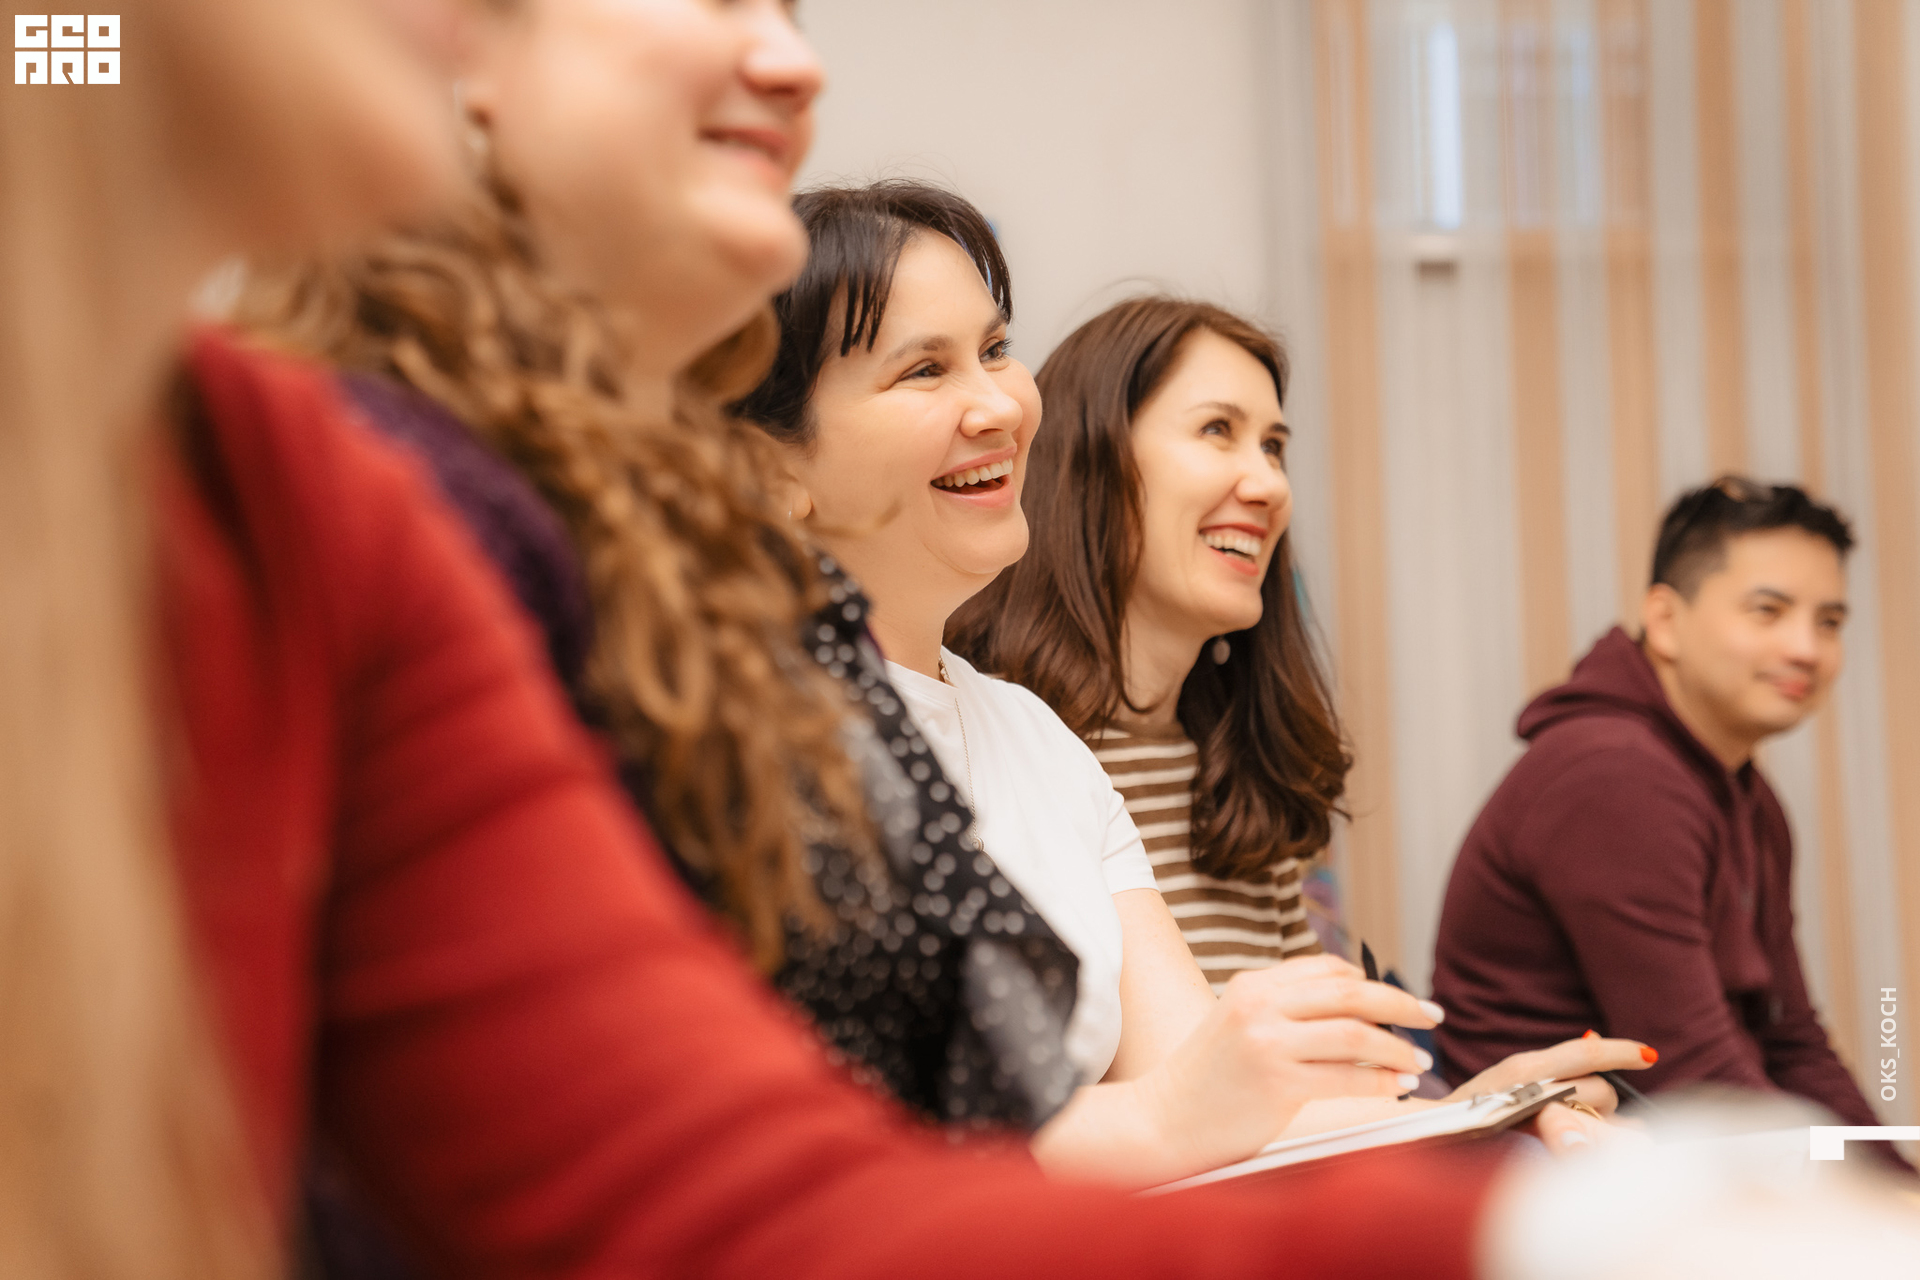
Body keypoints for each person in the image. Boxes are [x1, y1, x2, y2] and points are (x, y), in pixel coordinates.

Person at [243, 0, 1087, 1141]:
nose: (795, 64)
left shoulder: (720, 570)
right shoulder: (371, 491)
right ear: (465, 40)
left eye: (788, 12)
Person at [943, 291, 1652, 1122]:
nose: (1268, 484)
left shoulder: (1245, 776)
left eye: (1275, 447)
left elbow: (1306, 1117)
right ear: (1091, 461)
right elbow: (1059, 1119)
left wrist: (1483, 1111)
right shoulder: (984, 751)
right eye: (1218, 430)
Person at [1431, 478, 1895, 1144]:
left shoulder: (1748, 798)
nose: (1806, 648)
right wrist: (1861, 1194)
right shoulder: (1613, 774)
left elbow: (1790, 1038)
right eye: (1768, 611)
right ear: (1666, 620)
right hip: (1542, 1166)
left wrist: (1896, 1180)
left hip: (1660, 1149)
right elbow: (1692, 1070)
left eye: (1830, 622)